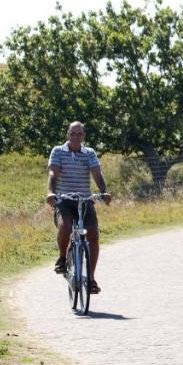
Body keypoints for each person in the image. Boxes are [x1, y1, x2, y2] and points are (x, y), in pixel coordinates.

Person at [46, 121, 111, 293]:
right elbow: (53, 172)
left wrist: (104, 192)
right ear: (68, 134)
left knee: (93, 234)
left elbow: (97, 173)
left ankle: (90, 279)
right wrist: (51, 192)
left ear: (84, 136)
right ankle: (61, 258)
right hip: (64, 200)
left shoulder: (89, 153)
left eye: (79, 134)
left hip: (84, 200)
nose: (76, 137)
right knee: (65, 226)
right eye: (72, 134)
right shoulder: (58, 151)